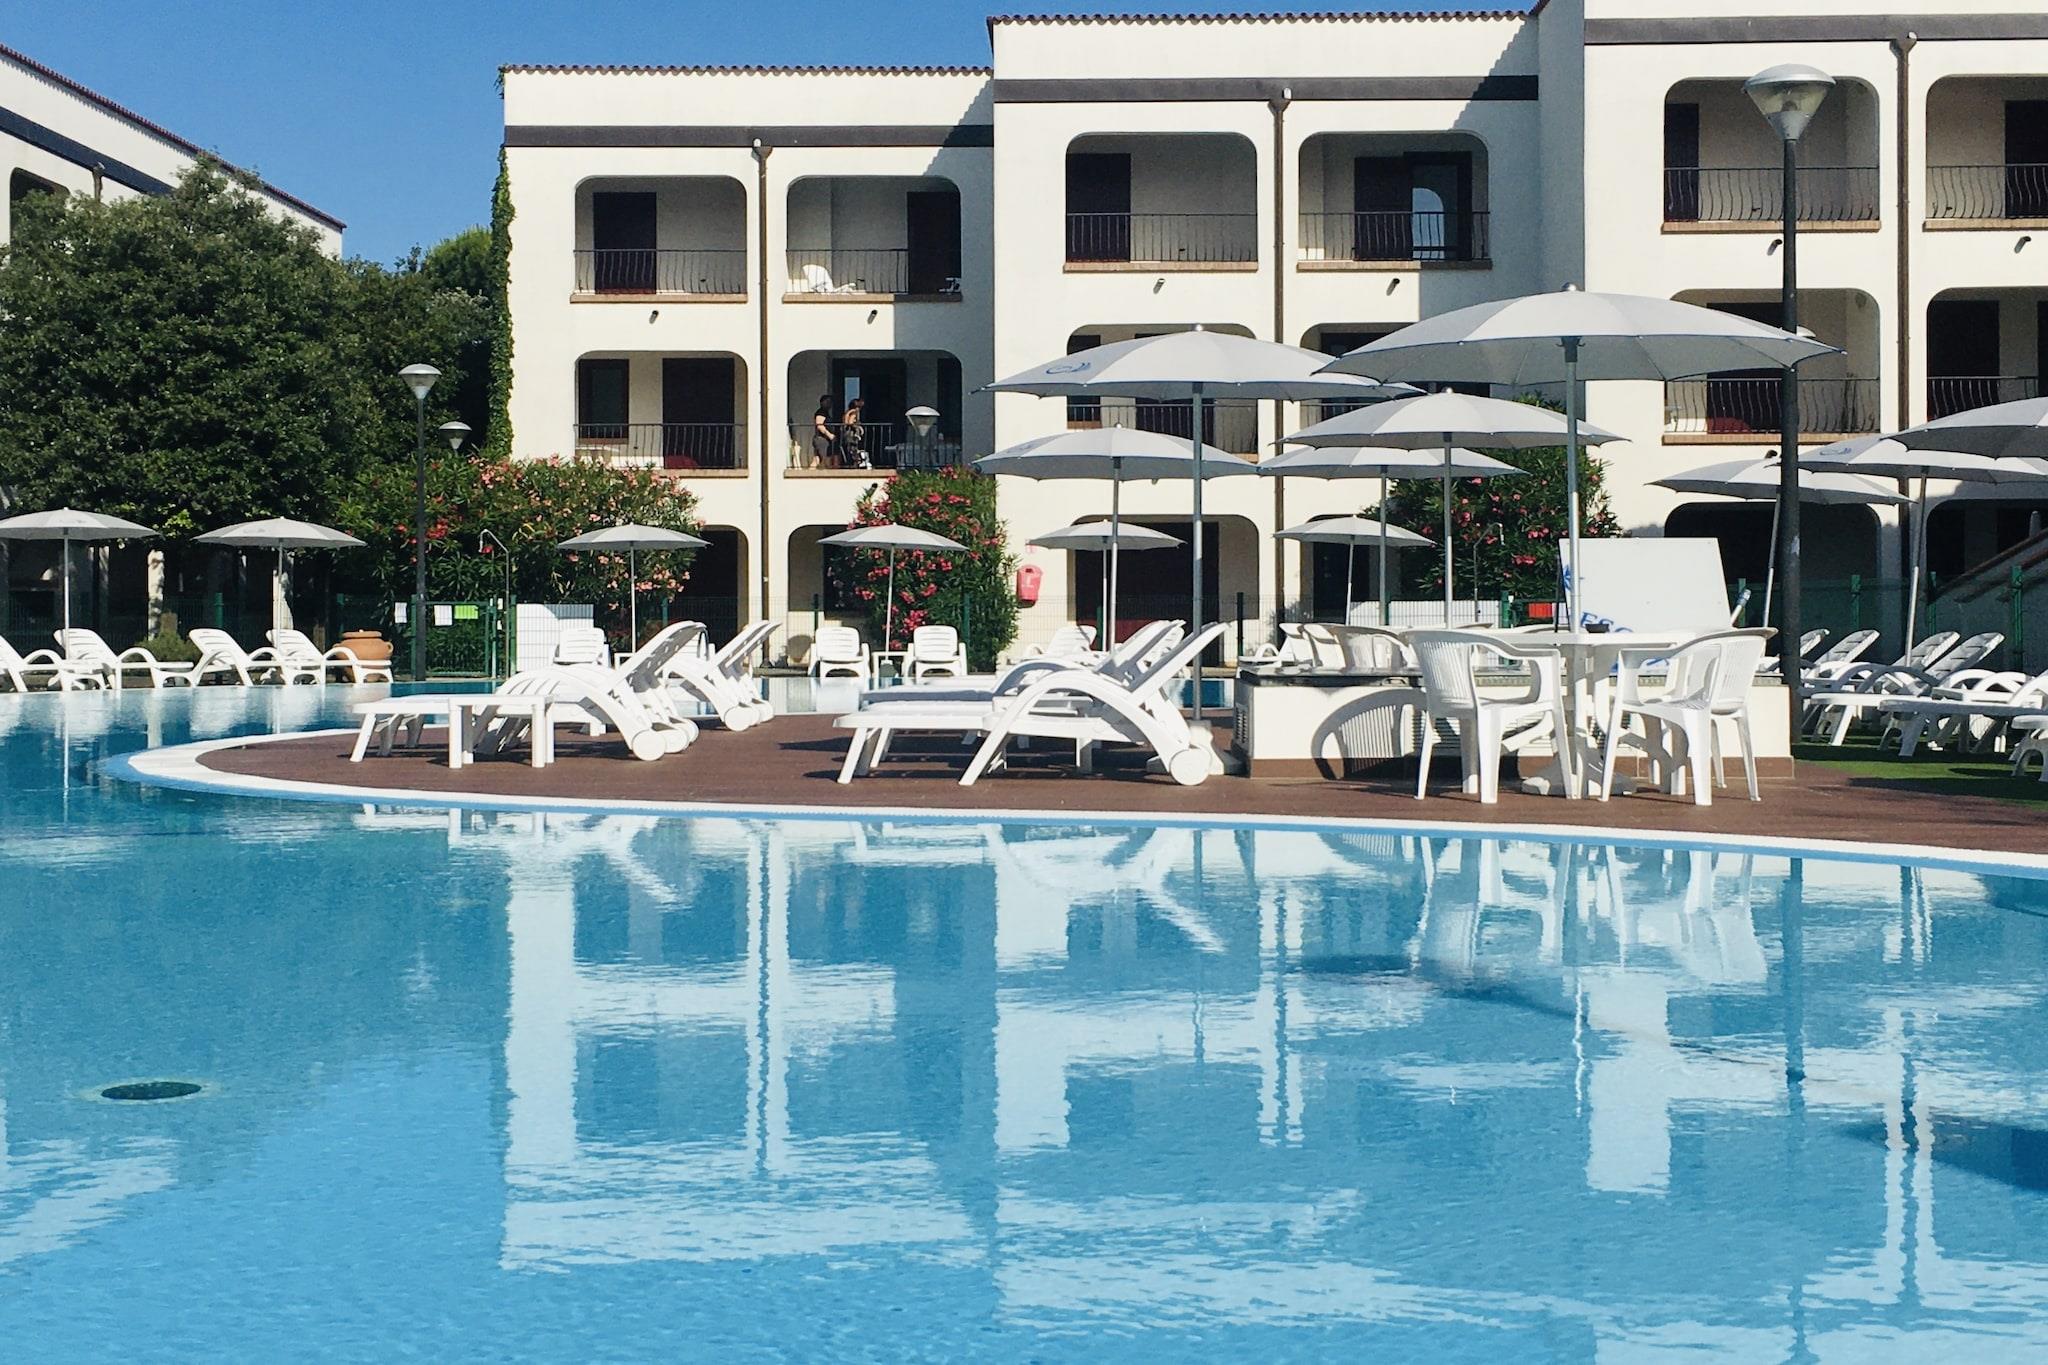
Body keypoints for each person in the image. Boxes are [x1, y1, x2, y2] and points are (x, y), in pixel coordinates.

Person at [837, 398, 870, 469]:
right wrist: (859, 428)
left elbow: (845, 422)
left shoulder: (847, 412)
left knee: (850, 450)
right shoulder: (854, 412)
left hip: (847, 434)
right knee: (853, 450)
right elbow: (850, 422)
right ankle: (854, 464)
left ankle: (851, 464)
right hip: (851, 434)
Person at [810, 397, 837, 469]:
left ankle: (810, 471)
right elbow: (819, 425)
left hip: (821, 439)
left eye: (830, 402)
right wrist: (829, 435)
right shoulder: (821, 412)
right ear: (822, 402)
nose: (829, 404)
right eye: (827, 401)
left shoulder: (825, 412)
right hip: (821, 439)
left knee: (817, 459)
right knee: (825, 460)